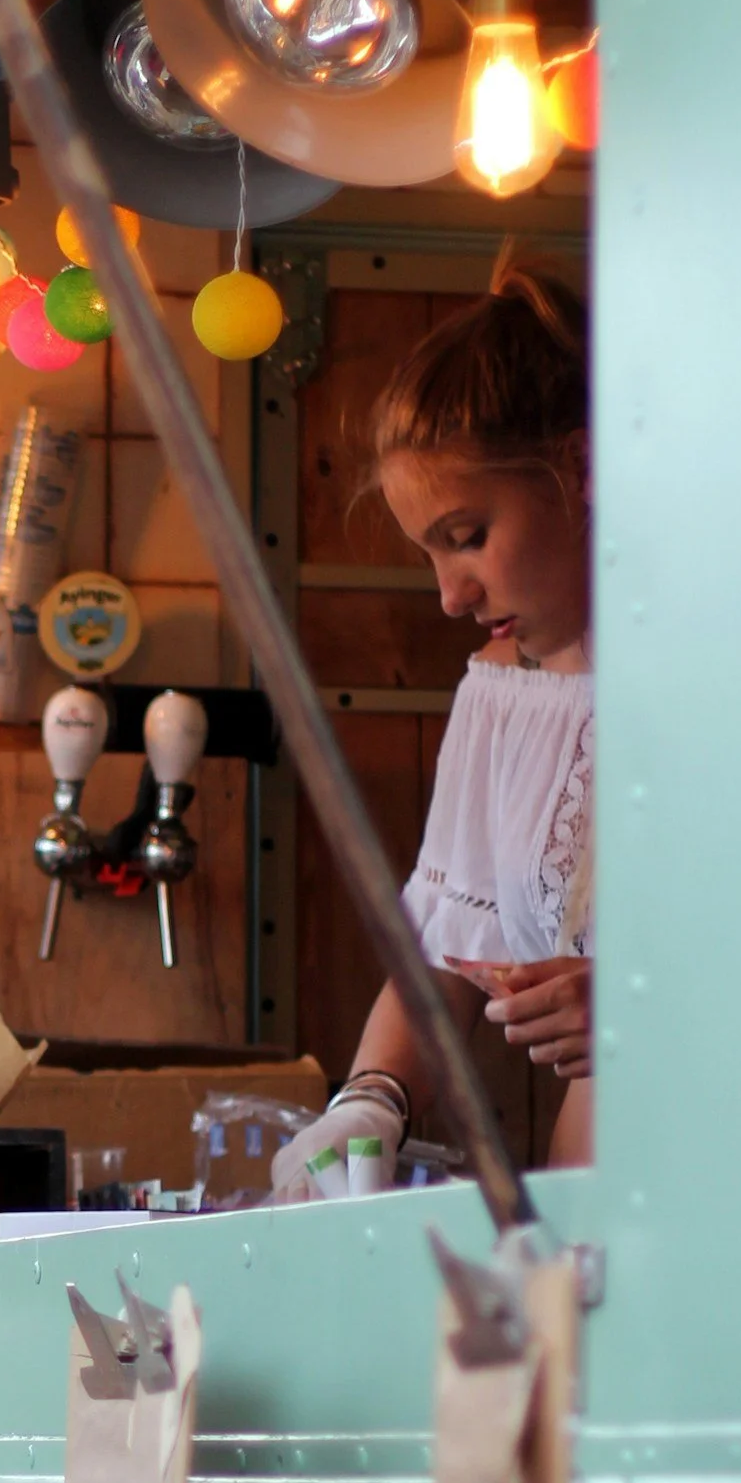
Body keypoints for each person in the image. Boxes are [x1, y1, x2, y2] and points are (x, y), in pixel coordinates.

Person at [275, 263, 593, 1197]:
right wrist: (368, 1100)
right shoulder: (501, 697)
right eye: (429, 554)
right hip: (593, 1204)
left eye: (466, 536)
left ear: (580, 468)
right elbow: (445, 953)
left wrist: (645, 1012)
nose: (451, 596)